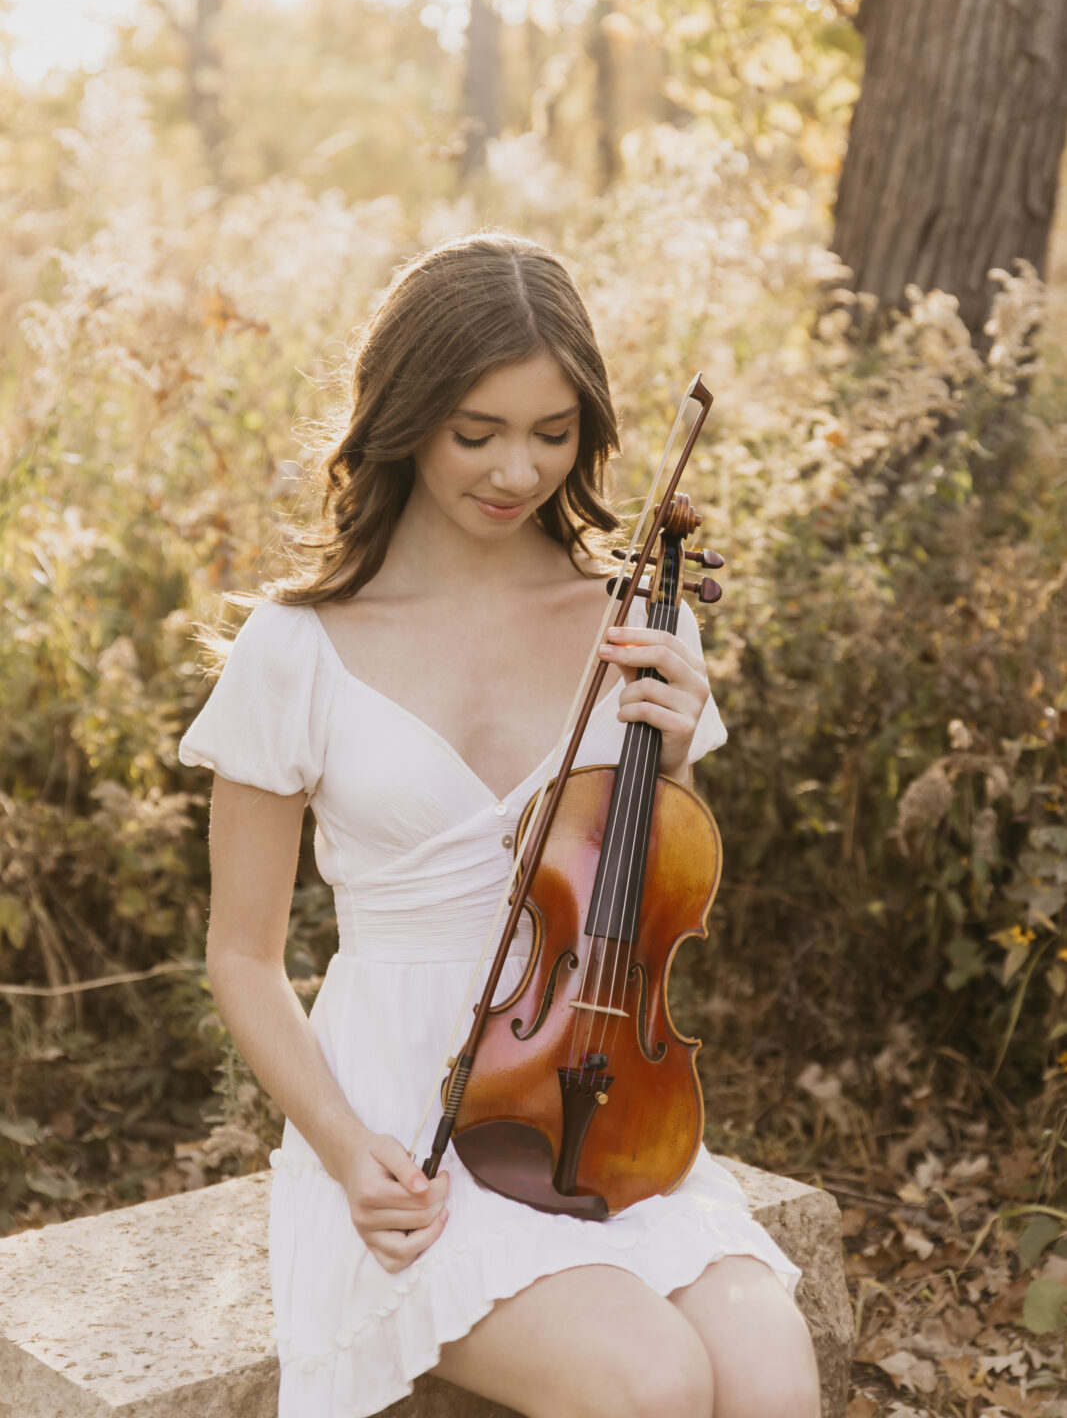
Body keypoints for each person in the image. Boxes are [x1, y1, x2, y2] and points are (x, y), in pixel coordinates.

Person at [178, 231, 821, 1418]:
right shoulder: (295, 648)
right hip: (396, 1121)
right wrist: (340, 1145)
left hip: (594, 1100)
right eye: (476, 432)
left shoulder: (632, 618)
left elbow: (646, 892)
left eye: (552, 432)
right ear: (402, 414)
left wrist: (670, 752)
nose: (515, 470)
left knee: (770, 1374)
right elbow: (242, 955)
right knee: (650, 1381)